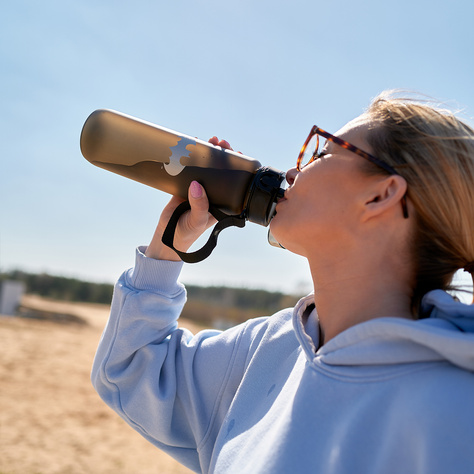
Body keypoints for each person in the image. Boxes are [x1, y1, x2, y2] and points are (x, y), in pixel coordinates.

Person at [91, 91, 474, 473]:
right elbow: (130, 371)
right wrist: (169, 244)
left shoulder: (454, 416)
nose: (293, 171)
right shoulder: (266, 350)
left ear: (381, 194)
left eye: (321, 153)